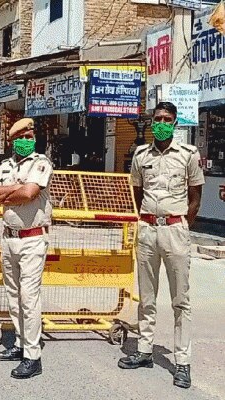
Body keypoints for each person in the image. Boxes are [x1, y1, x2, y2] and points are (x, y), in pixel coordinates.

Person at [119, 101, 204, 389]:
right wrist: (148, 222)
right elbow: (137, 192)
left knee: (181, 300)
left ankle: (182, 362)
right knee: (147, 296)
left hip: (175, 230)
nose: (162, 123)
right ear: (152, 121)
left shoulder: (188, 154)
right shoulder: (141, 155)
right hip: (147, 230)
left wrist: (181, 225)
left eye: (167, 119)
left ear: (175, 122)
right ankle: (144, 350)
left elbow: (195, 198)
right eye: (158, 118)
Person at [0, 117, 53, 380]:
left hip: (32, 238)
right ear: (12, 141)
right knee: (13, 295)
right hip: (9, 238)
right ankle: (21, 343)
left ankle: (33, 356)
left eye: (29, 137)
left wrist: (8, 193)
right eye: (21, 138)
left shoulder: (41, 163)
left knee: (29, 297)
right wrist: (18, 188)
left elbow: (29, 194)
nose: (26, 141)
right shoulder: (6, 165)